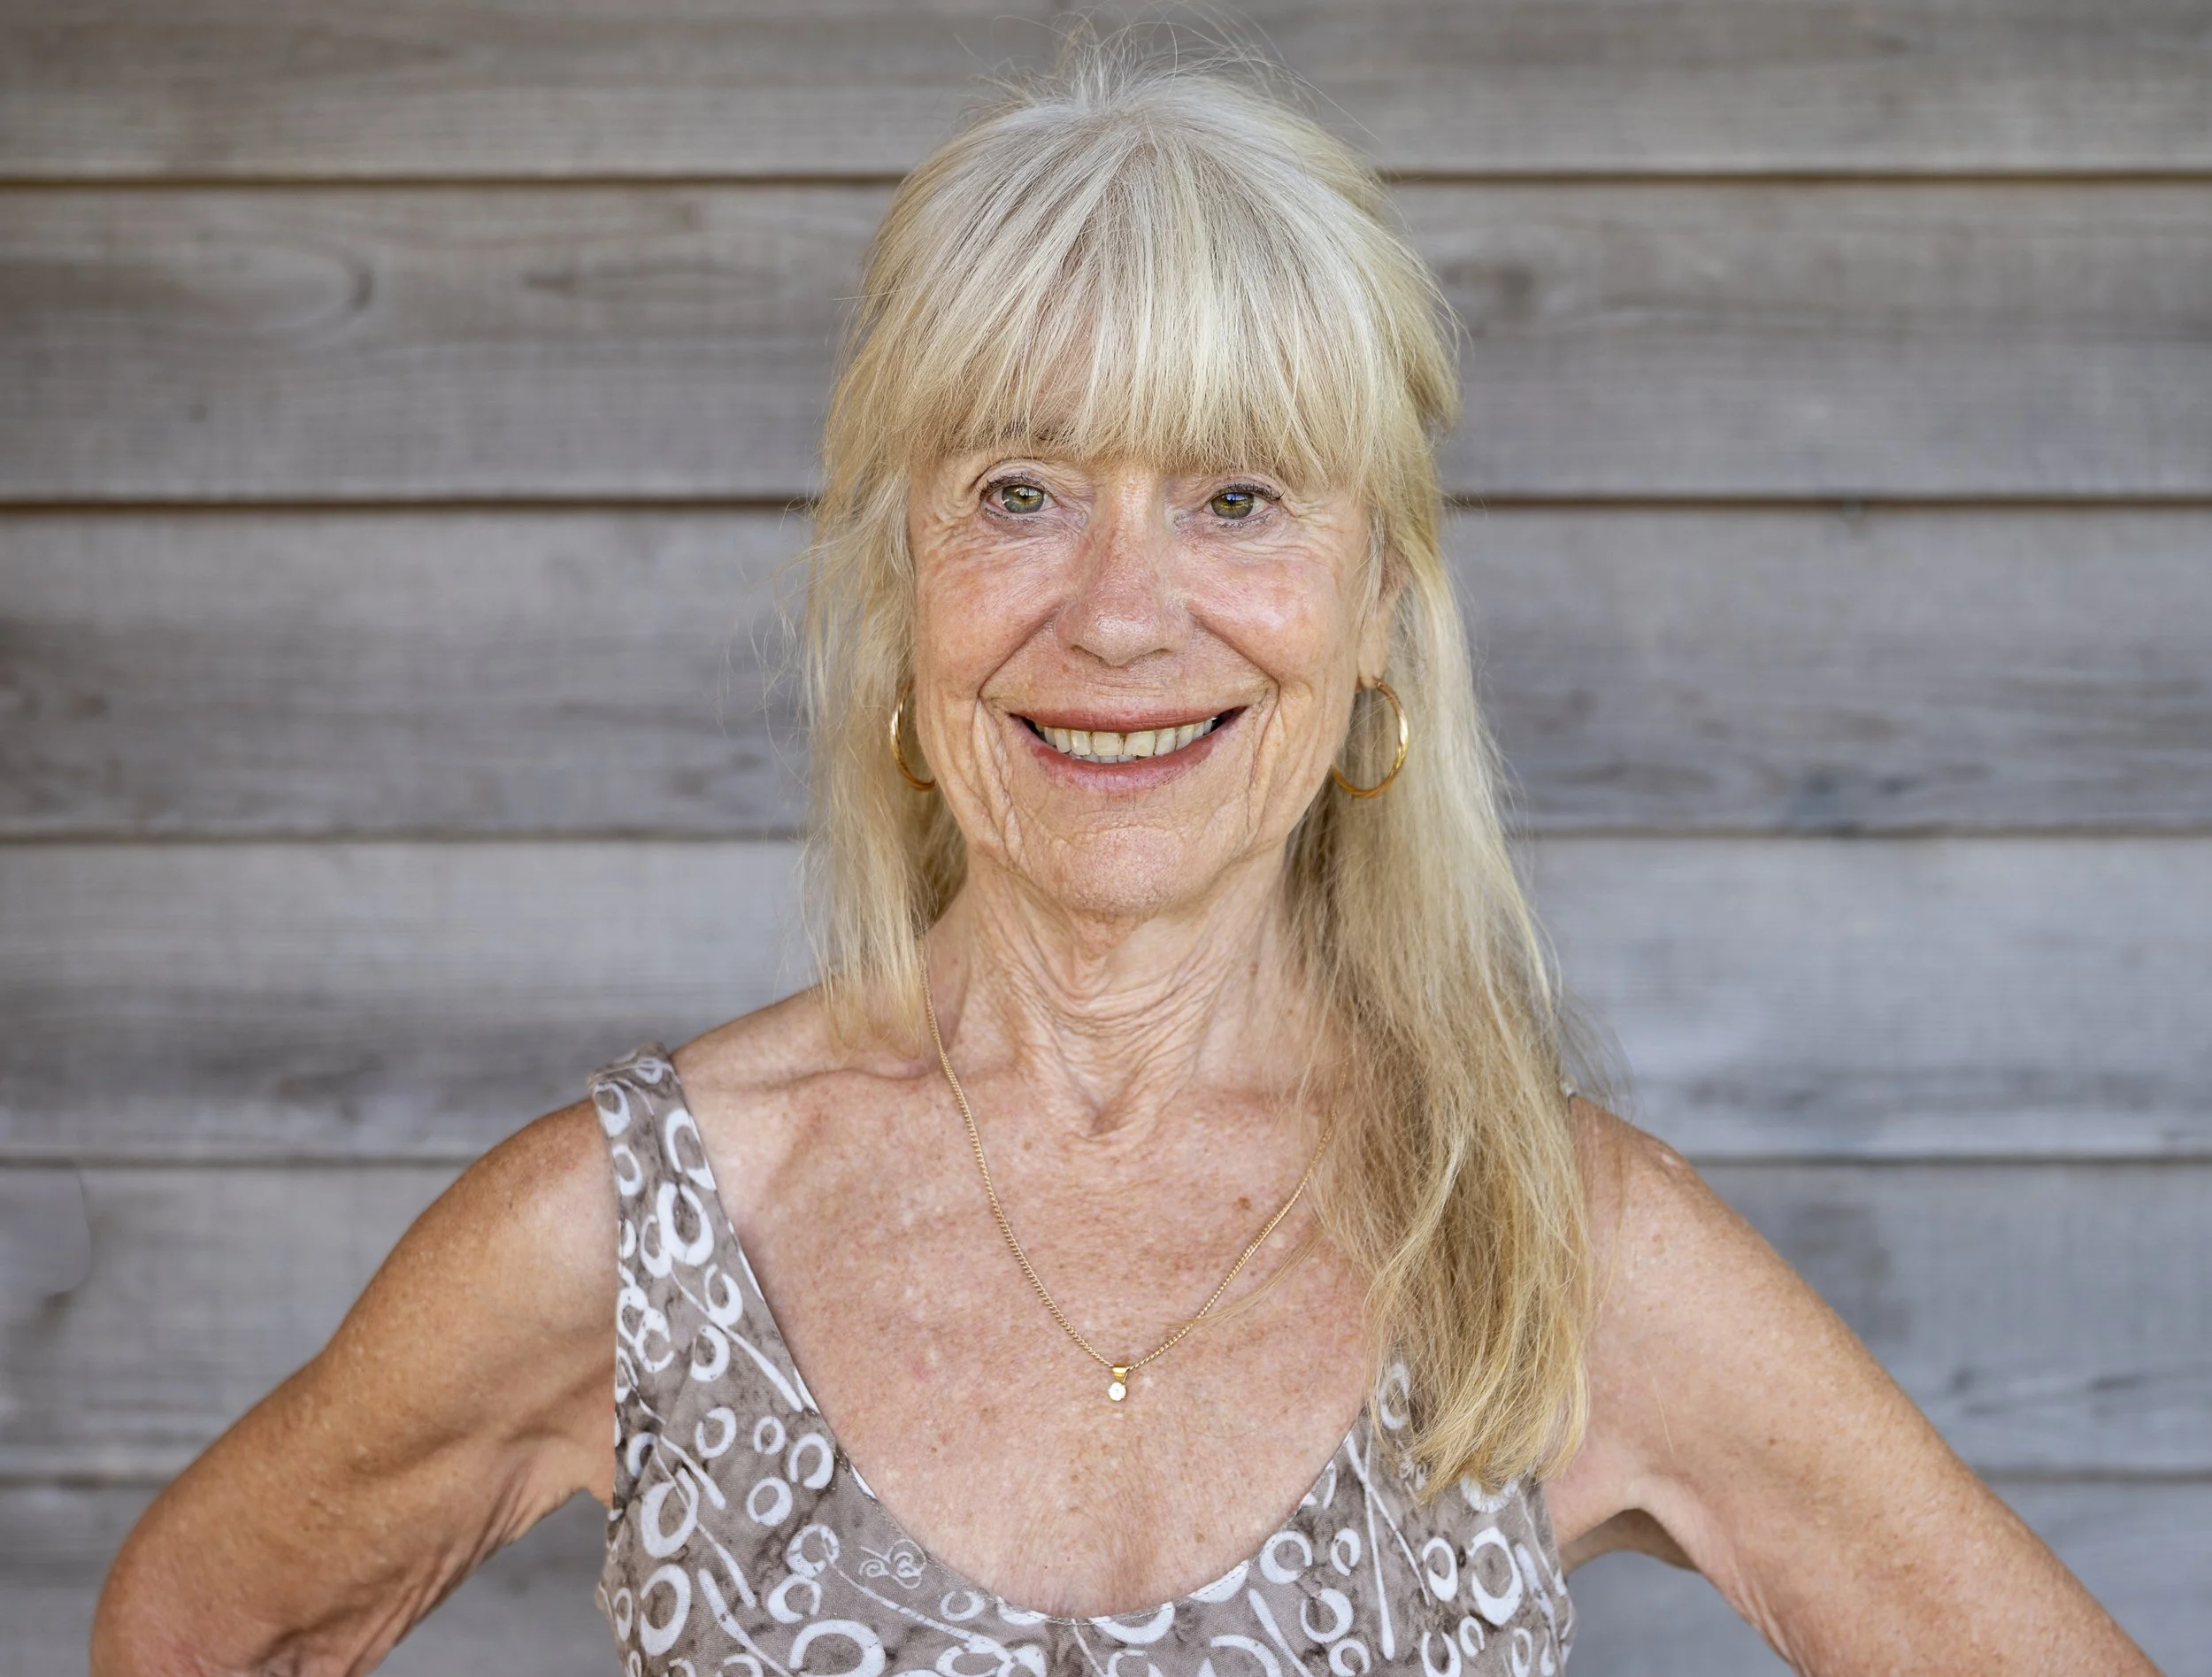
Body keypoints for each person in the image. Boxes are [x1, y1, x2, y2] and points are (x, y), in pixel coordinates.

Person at [92, 50, 2155, 1677]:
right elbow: (198, 1627)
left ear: (1372, 622)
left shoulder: (1543, 1245)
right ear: (903, 597)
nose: (1117, 612)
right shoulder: (633, 1229)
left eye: (1237, 496)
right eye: (1019, 489)